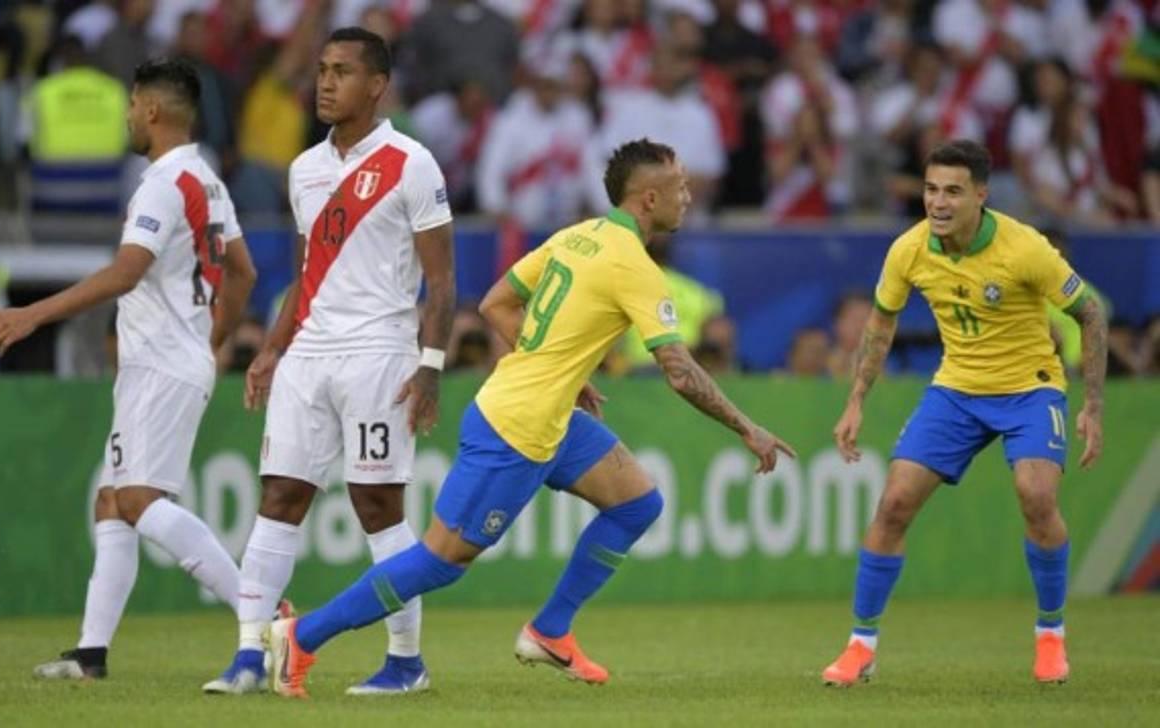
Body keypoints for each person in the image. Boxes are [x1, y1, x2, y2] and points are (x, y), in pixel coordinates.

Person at [260, 138, 796, 698]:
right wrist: (746, 427)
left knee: (638, 502)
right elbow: (680, 372)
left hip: (551, 415)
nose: (689, 197)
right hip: (515, 428)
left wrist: (555, 366)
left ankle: (550, 631)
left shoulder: (577, 236)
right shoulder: (633, 265)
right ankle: (302, 636)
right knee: (442, 561)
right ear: (649, 198)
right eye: (681, 188)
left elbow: (496, 302)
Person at [0, 58, 258, 679]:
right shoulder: (207, 181)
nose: (127, 116)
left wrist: (33, 315)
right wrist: (214, 338)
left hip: (160, 364)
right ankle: (91, 653)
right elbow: (243, 272)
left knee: (134, 499)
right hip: (169, 359)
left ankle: (262, 618)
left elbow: (126, 271)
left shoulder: (161, 183)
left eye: (131, 105)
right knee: (111, 503)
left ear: (152, 110)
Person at [203, 27, 456, 696]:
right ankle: (250, 655)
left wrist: (429, 366)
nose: (325, 82)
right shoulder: (304, 168)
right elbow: (305, 274)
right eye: (321, 69)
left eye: (342, 71)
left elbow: (443, 281)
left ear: (377, 85)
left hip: (380, 353)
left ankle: (406, 662)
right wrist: (272, 350)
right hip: (308, 352)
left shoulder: (412, 162)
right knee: (279, 497)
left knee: (378, 505)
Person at [820, 140, 1106, 687]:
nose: (938, 202)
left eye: (952, 190)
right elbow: (881, 324)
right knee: (895, 502)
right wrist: (856, 398)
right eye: (931, 189)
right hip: (956, 389)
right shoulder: (909, 249)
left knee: (1037, 496)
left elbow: (1089, 315)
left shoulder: (1025, 248)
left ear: (981, 194)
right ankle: (860, 645)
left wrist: (1092, 404)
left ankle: (1050, 635)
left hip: (1031, 389)